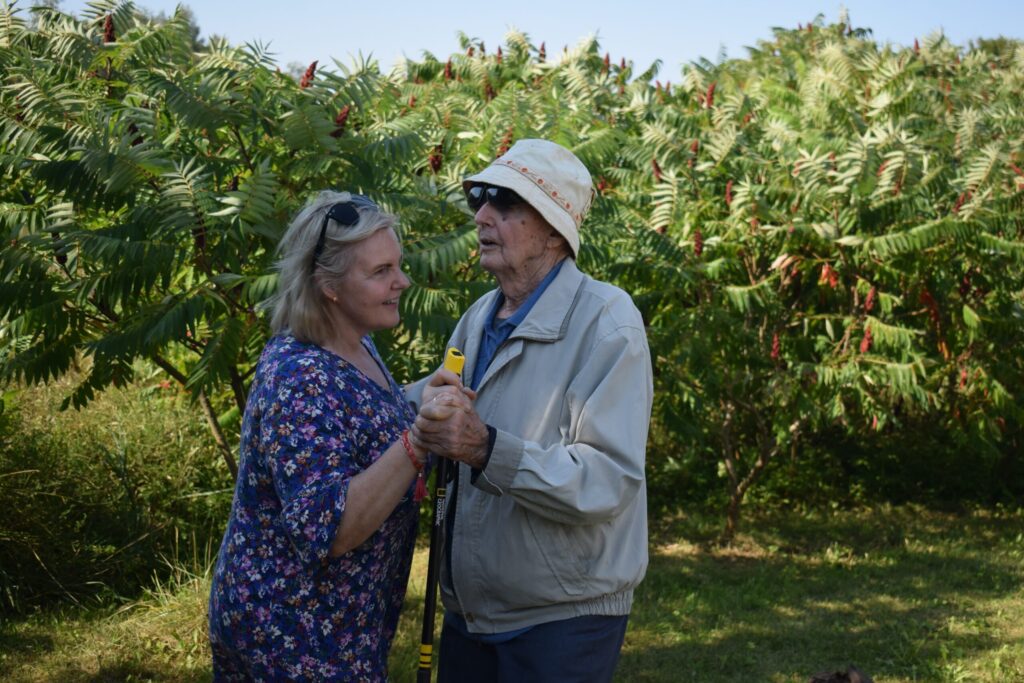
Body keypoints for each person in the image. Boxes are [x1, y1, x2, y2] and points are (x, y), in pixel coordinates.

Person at [410, 139, 654, 683]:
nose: (482, 215)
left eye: (505, 202)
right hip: (469, 615)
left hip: (563, 621)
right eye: (479, 198)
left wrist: (485, 448)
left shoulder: (608, 322)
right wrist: (422, 408)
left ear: (554, 230)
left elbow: (606, 480)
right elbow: (436, 403)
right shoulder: (478, 317)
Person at [208, 191, 431, 682]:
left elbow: (358, 416)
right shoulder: (301, 376)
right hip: (293, 631)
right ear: (329, 286)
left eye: (398, 264)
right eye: (381, 271)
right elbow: (327, 529)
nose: (402, 281)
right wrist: (419, 441)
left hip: (336, 625)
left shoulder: (355, 342)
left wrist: (421, 395)